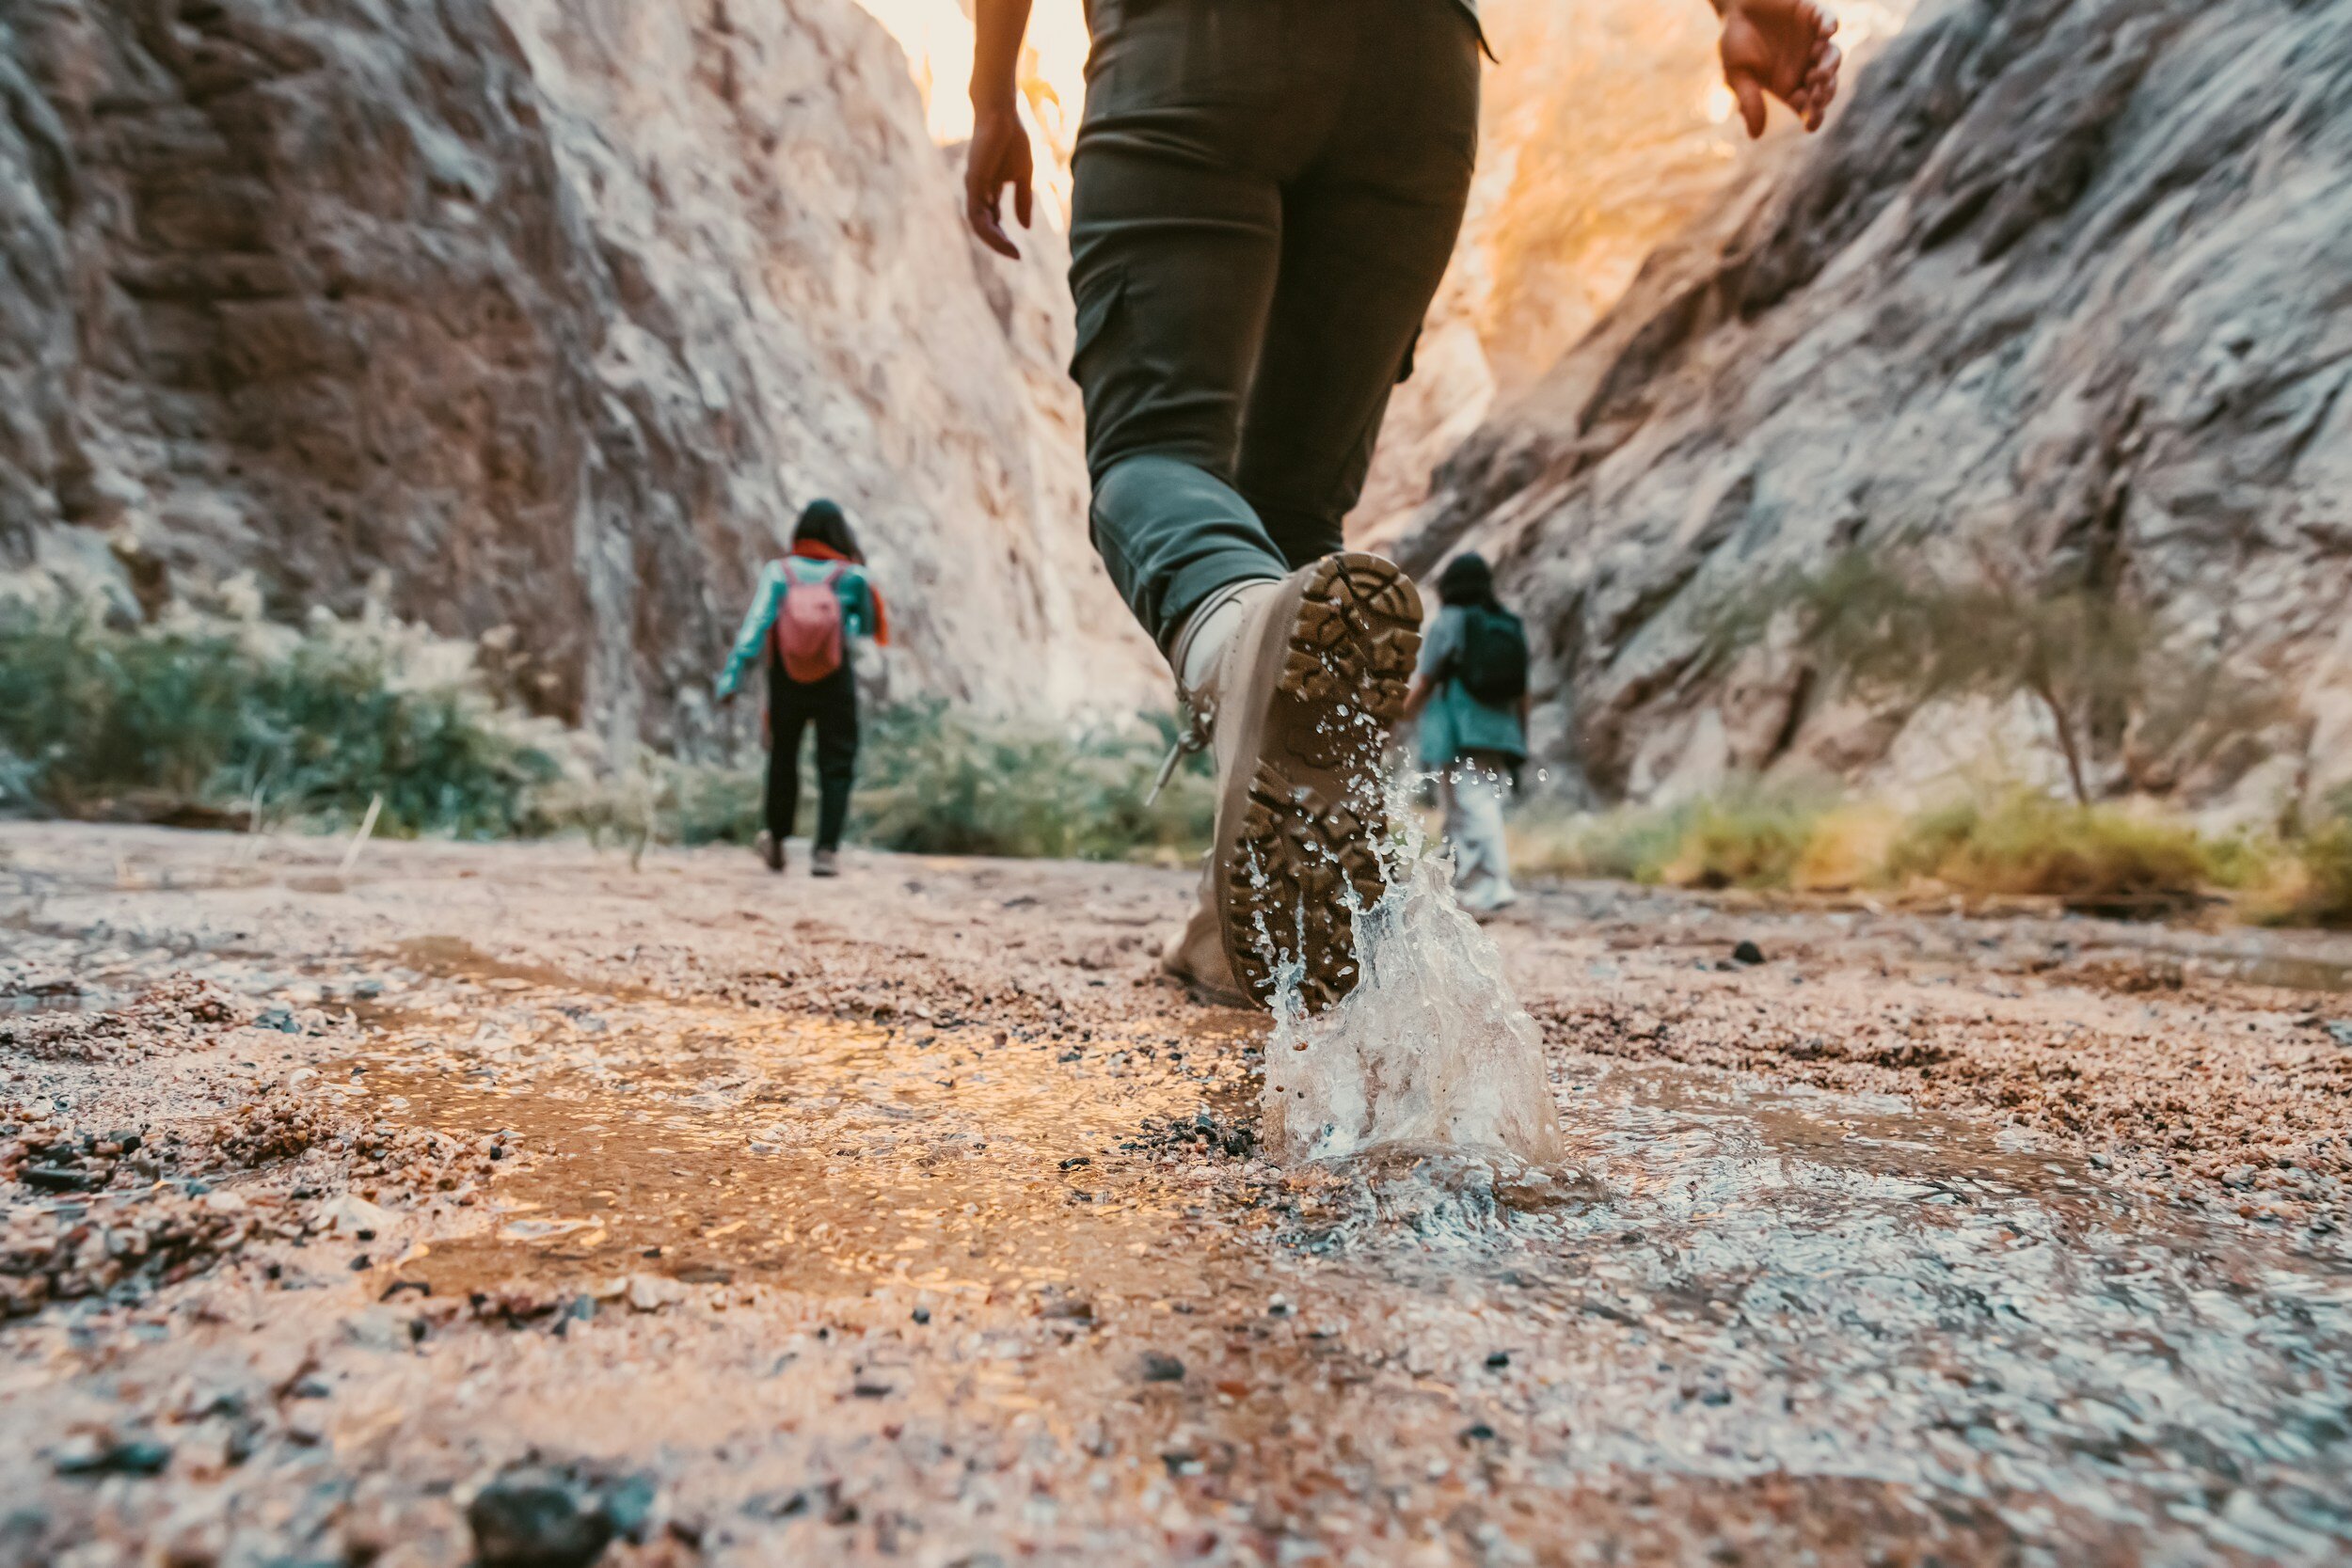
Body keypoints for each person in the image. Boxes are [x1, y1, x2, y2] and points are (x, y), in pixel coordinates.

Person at [965, 0, 1840, 1009]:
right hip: (1419, 74)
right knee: (1292, 525)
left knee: (1151, 456)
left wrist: (994, 94)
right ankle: (1244, 920)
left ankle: (1232, 648)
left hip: (1192, 52)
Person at [715, 499, 889, 878]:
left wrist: (732, 676)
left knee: (783, 758)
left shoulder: (779, 572)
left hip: (786, 677)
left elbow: (756, 624)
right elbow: (867, 627)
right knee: (836, 763)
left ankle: (776, 841)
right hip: (833, 678)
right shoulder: (853, 576)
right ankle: (825, 851)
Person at [1403, 552, 1529, 915]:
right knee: (1468, 806)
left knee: (1472, 805)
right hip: (1499, 729)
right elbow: (1523, 691)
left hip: (1458, 730)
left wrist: (1393, 722)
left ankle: (1495, 884)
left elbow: (1425, 681)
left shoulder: (1450, 621)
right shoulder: (1506, 623)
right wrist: (1521, 733)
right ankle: (1470, 885)